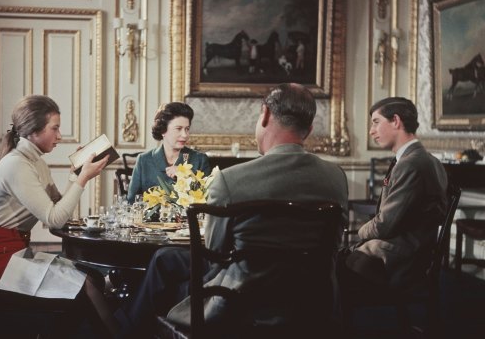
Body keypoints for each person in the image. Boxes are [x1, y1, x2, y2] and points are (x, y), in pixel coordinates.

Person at [112, 83, 349, 338]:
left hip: (242, 303)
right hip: (312, 303)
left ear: (265, 114)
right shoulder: (336, 178)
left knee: (167, 272)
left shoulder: (230, 180)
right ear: (309, 129)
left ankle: (128, 329)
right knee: (168, 261)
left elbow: (214, 254)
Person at [0, 95, 116, 336]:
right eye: (54, 128)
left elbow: (58, 209)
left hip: (13, 255)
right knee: (85, 285)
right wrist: (83, 179)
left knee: (92, 277)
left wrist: (76, 175)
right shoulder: (16, 164)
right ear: (33, 131)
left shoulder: (36, 163)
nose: (60, 136)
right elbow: (54, 219)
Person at [338, 97, 448, 290]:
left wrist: (361, 231)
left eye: (376, 122)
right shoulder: (425, 159)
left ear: (396, 121)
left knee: (325, 269)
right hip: (408, 252)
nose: (372, 131)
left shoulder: (411, 164)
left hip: (401, 261)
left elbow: (384, 226)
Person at [127, 102, 211, 203]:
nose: (185, 135)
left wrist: (185, 177)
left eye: (187, 129)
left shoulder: (200, 160)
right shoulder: (143, 160)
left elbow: (208, 201)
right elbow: (132, 203)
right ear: (163, 130)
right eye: (178, 129)